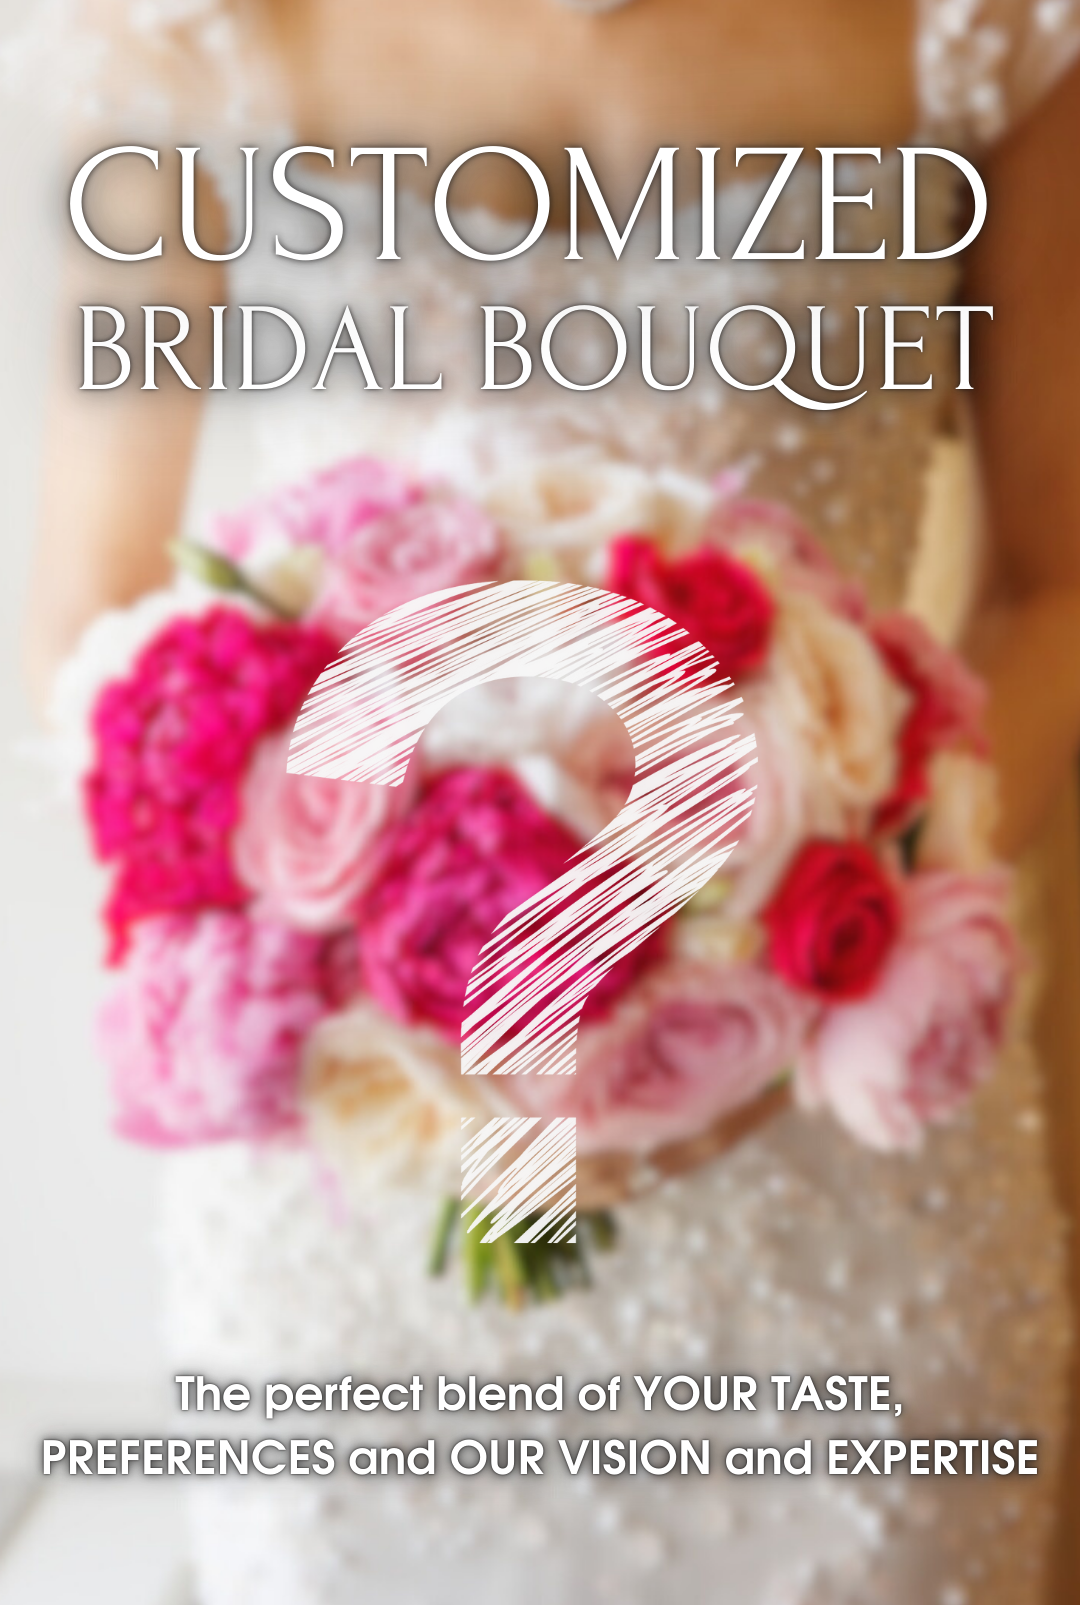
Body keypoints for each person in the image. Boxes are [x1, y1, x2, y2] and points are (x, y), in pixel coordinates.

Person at [18, 1, 1080, 1599]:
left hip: (842, 1155)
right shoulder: (182, 38)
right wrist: (352, 975)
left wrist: (829, 924)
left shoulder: (980, 34)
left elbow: (1059, 581)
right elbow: (91, 616)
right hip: (359, 1184)